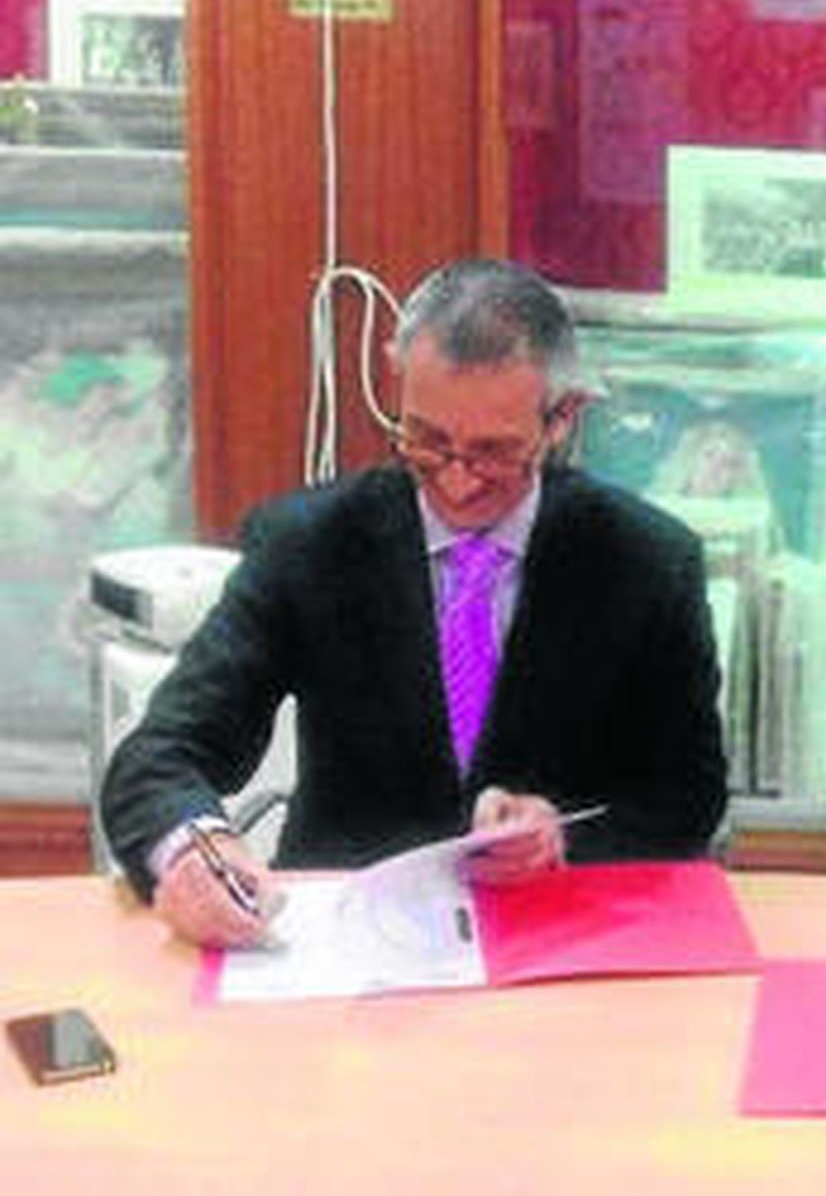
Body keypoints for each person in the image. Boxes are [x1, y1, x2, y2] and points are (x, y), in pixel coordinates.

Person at [101, 259, 728, 947]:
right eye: (426, 442)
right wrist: (194, 850)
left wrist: (561, 838)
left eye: (495, 453)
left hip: (552, 941)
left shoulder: (646, 562)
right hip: (344, 947)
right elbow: (159, 755)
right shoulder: (309, 545)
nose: (457, 483)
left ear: (563, 417)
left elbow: (685, 799)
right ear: (396, 375)